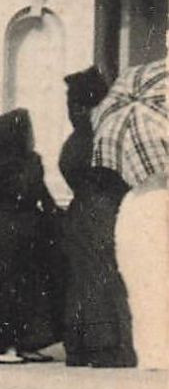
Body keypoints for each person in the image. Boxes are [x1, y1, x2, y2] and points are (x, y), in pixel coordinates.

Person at [59, 67, 135, 367]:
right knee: (103, 275)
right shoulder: (107, 133)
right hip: (104, 210)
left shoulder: (77, 138)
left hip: (80, 210)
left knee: (82, 277)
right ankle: (105, 346)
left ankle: (79, 346)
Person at [0, 109, 56, 364]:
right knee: (1, 286)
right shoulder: (19, 164)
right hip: (9, 230)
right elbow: (28, 191)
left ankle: (11, 342)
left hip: (4, 230)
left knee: (14, 287)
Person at [116, 173, 167, 369]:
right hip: (152, 252)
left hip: (141, 258)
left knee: (144, 299)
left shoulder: (132, 198)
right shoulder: (157, 197)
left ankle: (151, 354)